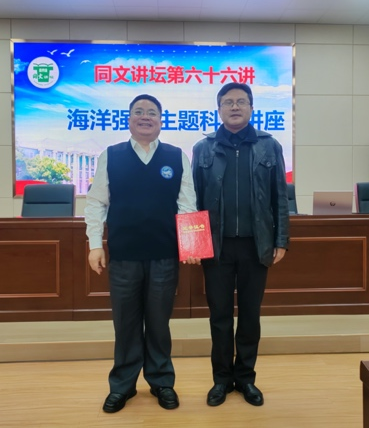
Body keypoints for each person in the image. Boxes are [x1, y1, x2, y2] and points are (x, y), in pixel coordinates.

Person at [84, 94, 199, 414]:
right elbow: (96, 202)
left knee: (159, 323)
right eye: (138, 112)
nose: (145, 116)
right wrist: (95, 244)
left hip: (164, 255)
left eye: (151, 112)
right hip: (124, 256)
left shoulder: (176, 156)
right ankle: (122, 385)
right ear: (129, 119)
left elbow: (187, 204)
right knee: (126, 323)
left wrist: (191, 245)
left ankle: (162, 381)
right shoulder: (111, 156)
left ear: (161, 120)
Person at [191, 82, 289, 407]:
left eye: (241, 102)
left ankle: (246, 379)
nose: (235, 107)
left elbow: (280, 197)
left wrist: (281, 240)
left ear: (251, 108)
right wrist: (195, 244)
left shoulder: (269, 145)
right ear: (219, 109)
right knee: (219, 317)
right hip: (216, 248)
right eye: (229, 102)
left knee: (249, 316)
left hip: (255, 246)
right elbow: (193, 200)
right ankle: (221, 380)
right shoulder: (203, 148)